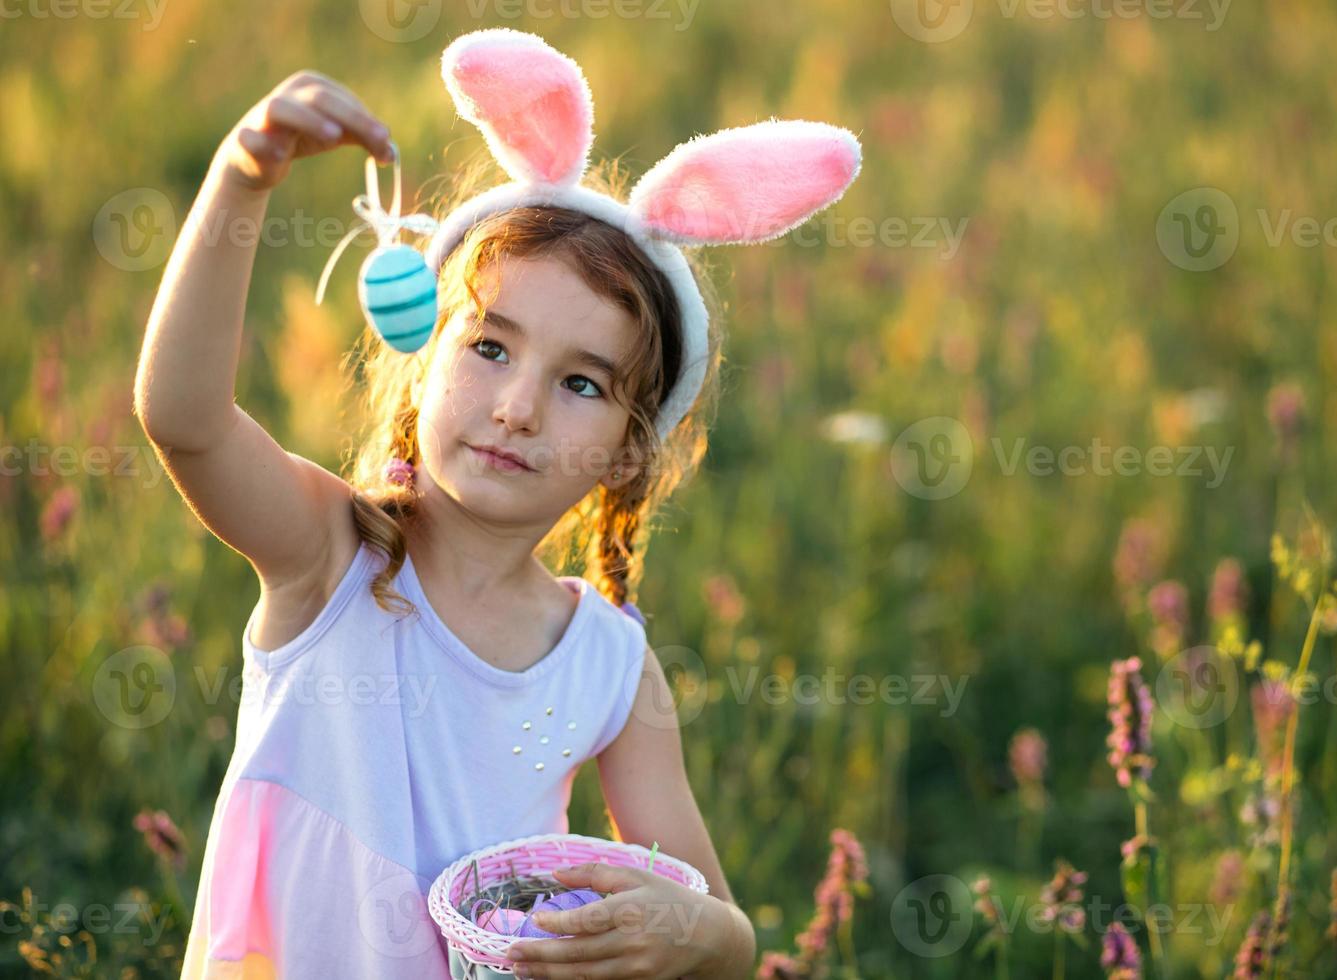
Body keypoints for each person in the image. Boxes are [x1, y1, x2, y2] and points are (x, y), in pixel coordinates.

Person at [134, 29, 860, 979]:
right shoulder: (330, 555)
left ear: (628, 451)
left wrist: (700, 934)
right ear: (423, 353)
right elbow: (182, 418)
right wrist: (241, 176)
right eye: (489, 348)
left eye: (583, 385)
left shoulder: (611, 665)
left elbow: (718, 923)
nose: (518, 407)